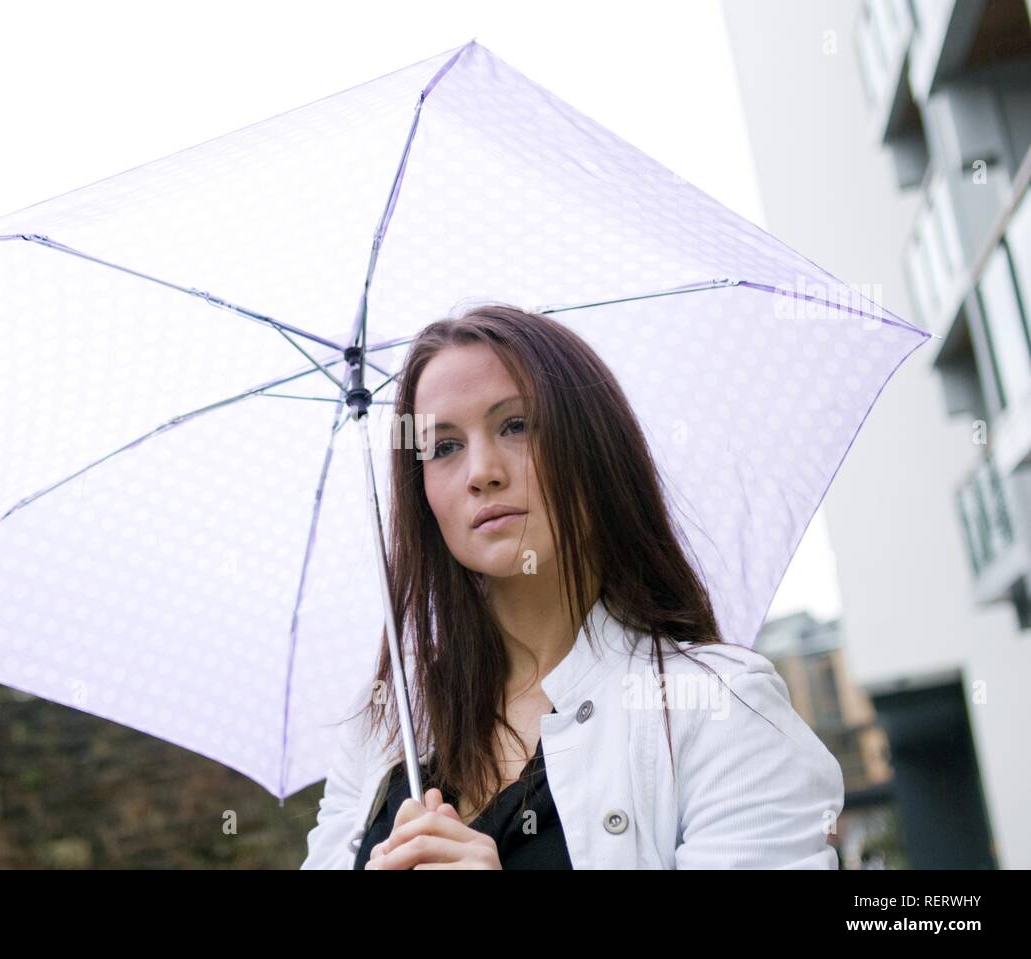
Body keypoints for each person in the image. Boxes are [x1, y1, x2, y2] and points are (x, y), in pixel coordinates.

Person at [302, 304, 844, 870]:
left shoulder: (717, 710)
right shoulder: (390, 728)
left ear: (593, 449)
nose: (481, 471)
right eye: (443, 447)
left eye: (515, 425)